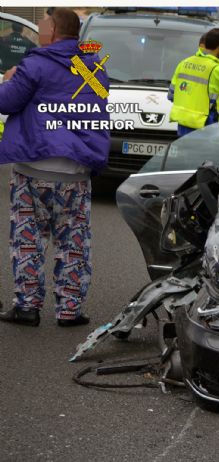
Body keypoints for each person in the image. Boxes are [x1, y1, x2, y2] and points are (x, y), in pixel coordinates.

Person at [0, 8, 109, 327]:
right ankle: (69, 310)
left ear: (54, 30)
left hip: (33, 167)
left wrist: (9, 78)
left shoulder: (35, 65)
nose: (40, 29)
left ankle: (28, 306)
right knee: (74, 240)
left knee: (27, 240)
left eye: (43, 24)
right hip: (76, 170)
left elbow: (6, 103)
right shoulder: (94, 66)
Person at [168, 28, 219, 137]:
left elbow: (171, 96)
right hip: (206, 128)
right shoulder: (217, 70)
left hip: (183, 129)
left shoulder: (183, 64)